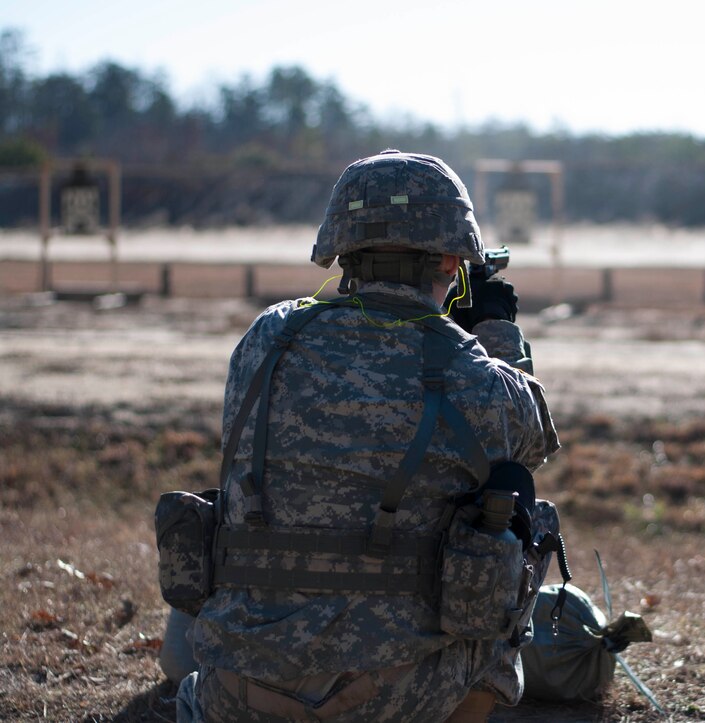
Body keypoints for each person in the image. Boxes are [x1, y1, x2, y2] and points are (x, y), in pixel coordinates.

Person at [175, 150, 560, 722]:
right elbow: (533, 438)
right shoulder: (468, 373)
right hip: (394, 700)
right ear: (453, 259)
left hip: (237, 690)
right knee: (523, 511)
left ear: (342, 249)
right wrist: (495, 331)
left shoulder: (266, 340)